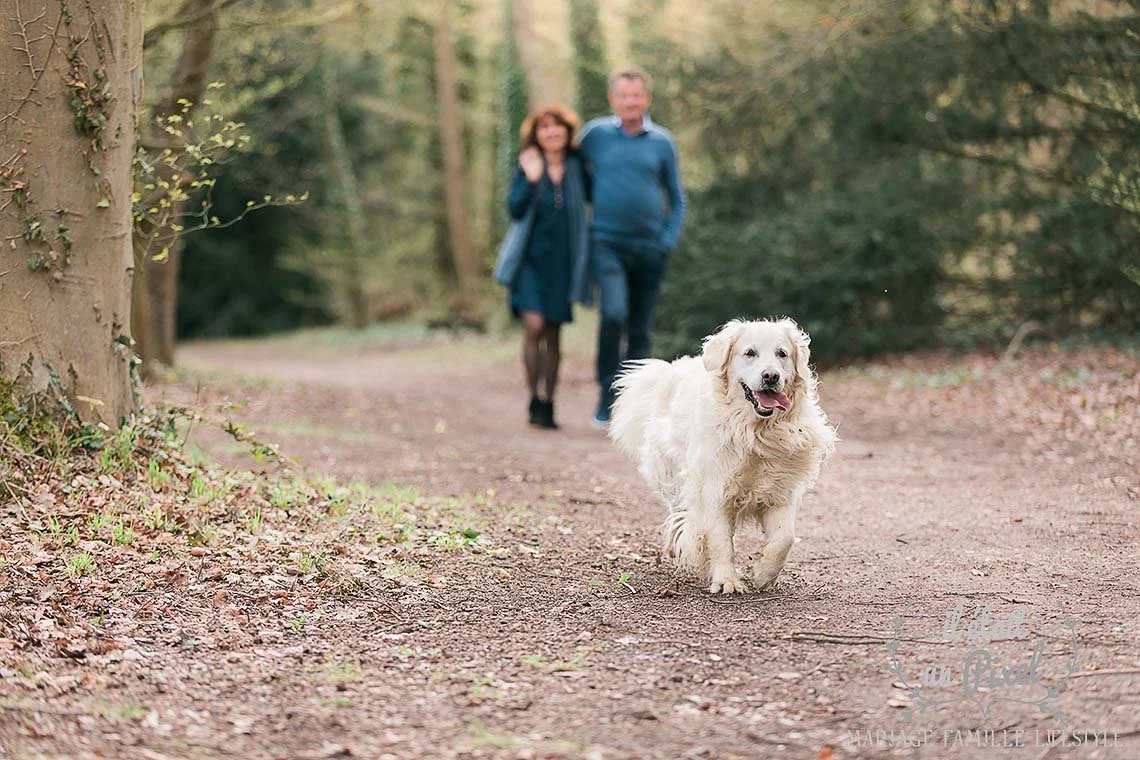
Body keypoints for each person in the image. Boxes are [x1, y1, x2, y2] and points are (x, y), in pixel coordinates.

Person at [577, 67, 687, 428]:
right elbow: (569, 168)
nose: (631, 102)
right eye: (624, 95)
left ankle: (635, 405)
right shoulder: (595, 136)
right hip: (606, 243)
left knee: (640, 328)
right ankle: (606, 398)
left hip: (650, 249)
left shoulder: (662, 142)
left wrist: (666, 241)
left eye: (637, 95)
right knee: (614, 314)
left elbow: (677, 197)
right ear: (613, 99)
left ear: (646, 98)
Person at [492, 104, 591, 430]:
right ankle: (533, 396)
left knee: (553, 332)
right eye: (544, 128)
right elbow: (515, 209)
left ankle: (549, 402)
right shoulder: (527, 164)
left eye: (557, 127)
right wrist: (532, 180)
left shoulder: (578, 166)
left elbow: (591, 199)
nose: (551, 132)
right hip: (530, 262)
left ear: (566, 131)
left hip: (563, 263)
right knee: (534, 327)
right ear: (536, 134)